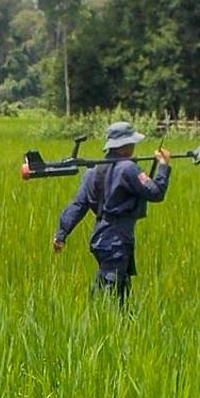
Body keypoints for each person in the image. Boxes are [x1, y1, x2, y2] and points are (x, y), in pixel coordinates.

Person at [54, 122, 170, 307]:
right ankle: (100, 322)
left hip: (101, 237)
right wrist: (163, 166)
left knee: (119, 286)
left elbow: (79, 204)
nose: (134, 147)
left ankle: (117, 322)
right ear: (124, 146)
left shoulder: (93, 170)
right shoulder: (128, 168)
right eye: (131, 144)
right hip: (117, 239)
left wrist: (62, 233)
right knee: (112, 293)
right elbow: (156, 193)